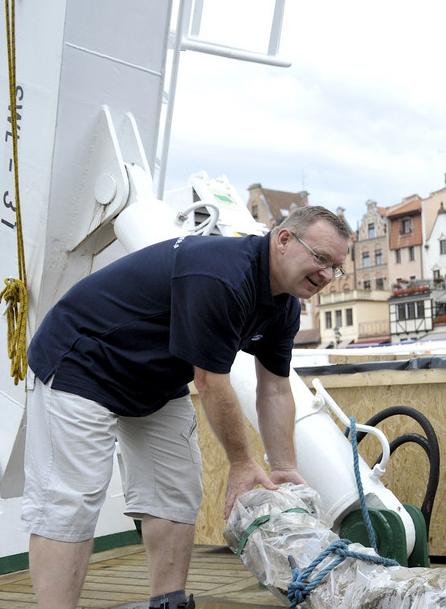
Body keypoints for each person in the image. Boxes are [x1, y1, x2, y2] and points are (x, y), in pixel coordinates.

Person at [22, 205, 352, 609]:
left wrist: (283, 467)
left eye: (336, 267)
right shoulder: (224, 275)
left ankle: (168, 603)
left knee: (175, 489)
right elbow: (211, 382)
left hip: (155, 378)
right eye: (320, 258)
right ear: (284, 240)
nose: (326, 276)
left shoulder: (285, 306)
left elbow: (275, 389)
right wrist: (243, 462)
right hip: (83, 360)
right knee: (70, 502)